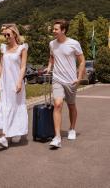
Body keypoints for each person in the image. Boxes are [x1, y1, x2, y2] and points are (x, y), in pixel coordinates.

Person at [45, 19, 85, 148]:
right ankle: (57, 137)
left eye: (56, 29)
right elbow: (52, 57)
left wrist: (78, 78)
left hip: (71, 80)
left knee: (71, 105)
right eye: (53, 29)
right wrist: (49, 67)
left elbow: (82, 61)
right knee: (57, 104)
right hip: (57, 79)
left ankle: (72, 128)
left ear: (63, 30)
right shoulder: (52, 44)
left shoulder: (74, 43)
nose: (53, 31)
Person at [0, 25, 28, 148]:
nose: (6, 37)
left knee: (15, 106)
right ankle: (5, 136)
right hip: (5, 83)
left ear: (15, 35)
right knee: (5, 107)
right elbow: (1, 66)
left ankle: (16, 131)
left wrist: (19, 82)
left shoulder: (22, 49)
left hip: (15, 82)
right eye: (4, 35)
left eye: (8, 34)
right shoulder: (3, 48)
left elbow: (23, 67)